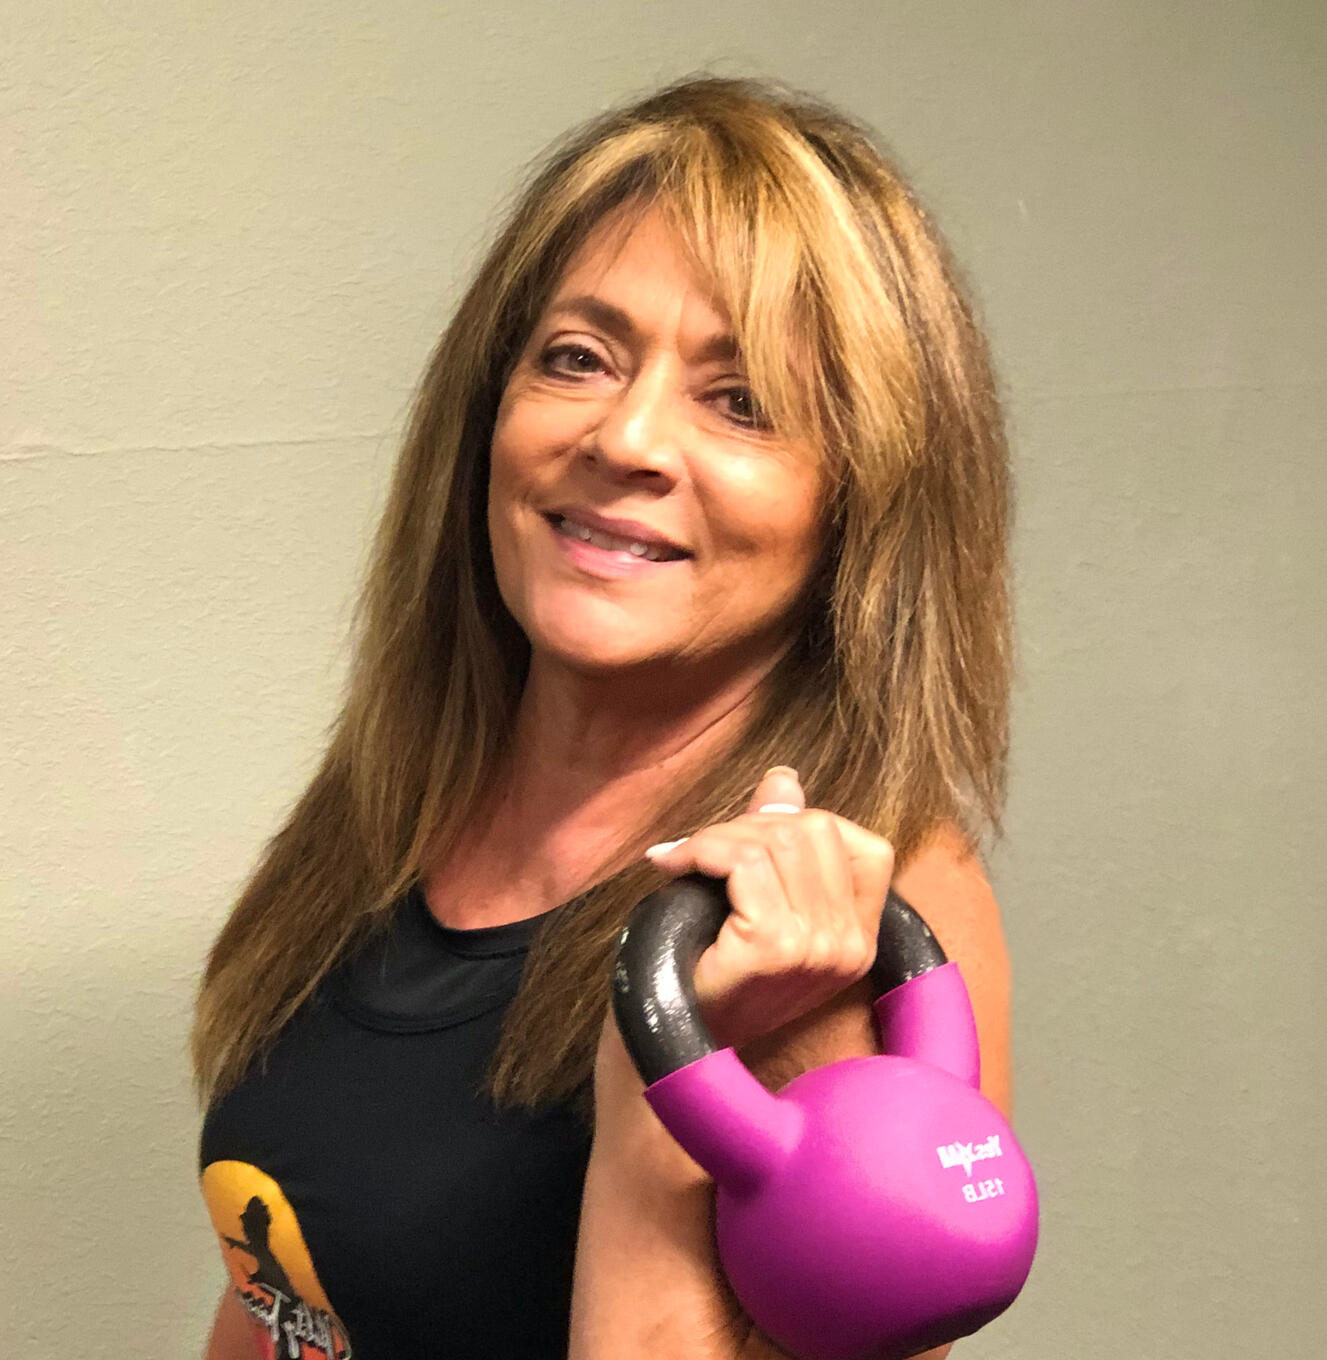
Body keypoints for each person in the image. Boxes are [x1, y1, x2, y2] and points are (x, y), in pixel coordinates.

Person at [193, 74, 1015, 1360]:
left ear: (858, 503)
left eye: (742, 401)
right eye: (577, 357)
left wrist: (663, 1069)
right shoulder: (392, 814)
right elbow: (293, 1288)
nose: (625, 437)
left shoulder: (848, 923)